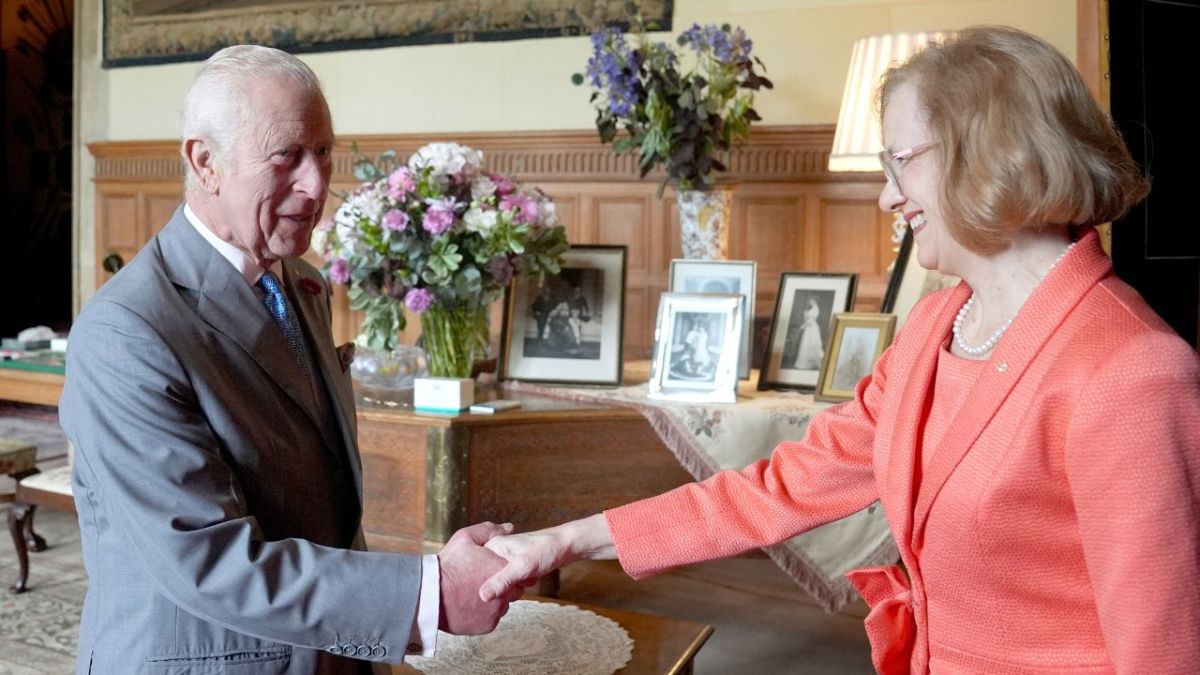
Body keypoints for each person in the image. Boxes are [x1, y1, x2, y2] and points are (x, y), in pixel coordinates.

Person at [476, 26, 1200, 673]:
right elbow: (778, 487)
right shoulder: (935, 326)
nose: (888, 196)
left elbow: (1163, 654)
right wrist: (563, 541)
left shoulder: (1133, 371)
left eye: (902, 161)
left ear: (992, 149)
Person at [59, 45, 518, 675]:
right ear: (205, 161)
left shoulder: (300, 284)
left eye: (324, 152)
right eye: (287, 155)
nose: (317, 184)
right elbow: (206, 560)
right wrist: (427, 591)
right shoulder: (127, 332)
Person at [792, 296, 824, 370]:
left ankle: (812, 363)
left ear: (815, 301)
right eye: (810, 301)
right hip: (808, 328)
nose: (810, 302)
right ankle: (804, 363)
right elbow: (807, 319)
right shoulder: (810, 309)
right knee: (806, 344)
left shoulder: (815, 309)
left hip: (812, 328)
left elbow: (811, 321)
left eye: (812, 301)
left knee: (811, 344)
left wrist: (803, 326)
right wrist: (805, 317)